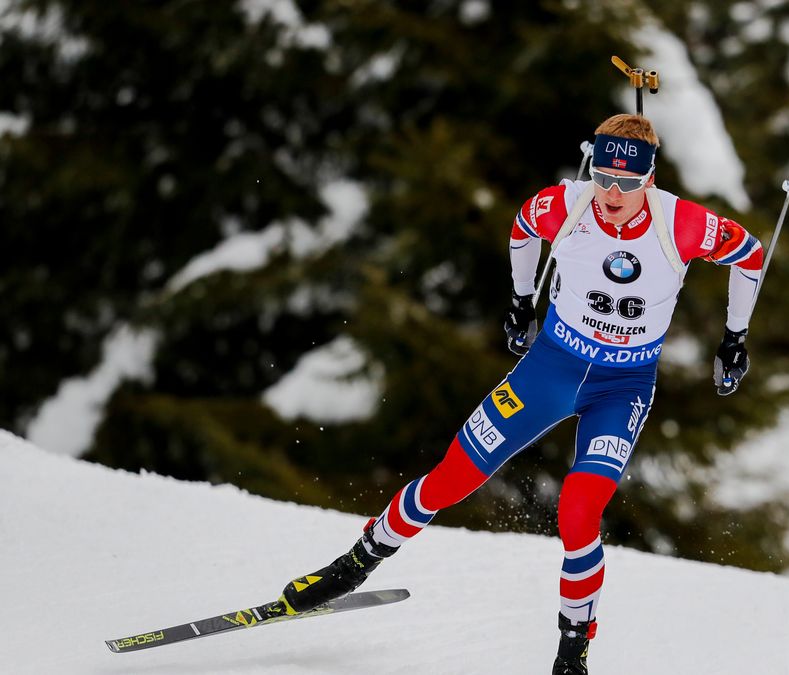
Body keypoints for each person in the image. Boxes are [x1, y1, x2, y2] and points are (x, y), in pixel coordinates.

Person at [277, 113, 764, 674]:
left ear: (648, 182)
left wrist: (735, 337)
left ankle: (572, 651)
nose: (612, 192)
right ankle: (356, 562)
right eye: (604, 176)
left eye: (627, 184)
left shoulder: (682, 223)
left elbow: (750, 254)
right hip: (551, 367)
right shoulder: (568, 204)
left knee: (579, 512)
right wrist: (520, 299)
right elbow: (521, 228)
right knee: (451, 477)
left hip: (622, 386)